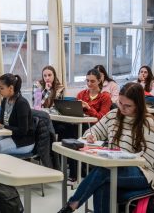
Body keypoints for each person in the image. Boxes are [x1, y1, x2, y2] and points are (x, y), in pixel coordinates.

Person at [58, 82, 154, 213]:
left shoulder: (147, 123)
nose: (122, 108)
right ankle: (71, 206)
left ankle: (71, 206)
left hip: (143, 174)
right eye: (120, 103)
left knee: (103, 172)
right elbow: (92, 131)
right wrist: (91, 136)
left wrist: (128, 161)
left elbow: (150, 161)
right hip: (115, 168)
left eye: (128, 106)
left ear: (138, 105)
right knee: (103, 185)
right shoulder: (113, 115)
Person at [54, 68, 112, 182]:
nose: (89, 84)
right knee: (62, 128)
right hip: (78, 125)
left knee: (69, 133)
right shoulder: (81, 94)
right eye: (87, 81)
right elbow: (75, 112)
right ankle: (67, 167)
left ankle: (74, 171)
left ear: (100, 81)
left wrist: (88, 108)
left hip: (93, 129)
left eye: (92, 81)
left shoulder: (105, 97)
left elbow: (101, 118)